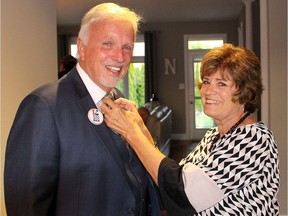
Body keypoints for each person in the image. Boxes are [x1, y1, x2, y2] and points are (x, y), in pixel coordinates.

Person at [4, 3, 160, 216]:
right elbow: (27, 205)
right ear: (82, 48)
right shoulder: (44, 106)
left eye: (127, 47)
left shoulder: (120, 102)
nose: (120, 57)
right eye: (108, 44)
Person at [101, 43, 280, 215]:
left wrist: (131, 132)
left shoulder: (253, 139)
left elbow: (183, 193)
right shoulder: (214, 136)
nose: (208, 91)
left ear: (244, 92)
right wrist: (140, 127)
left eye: (222, 84)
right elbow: (171, 180)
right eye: (207, 81)